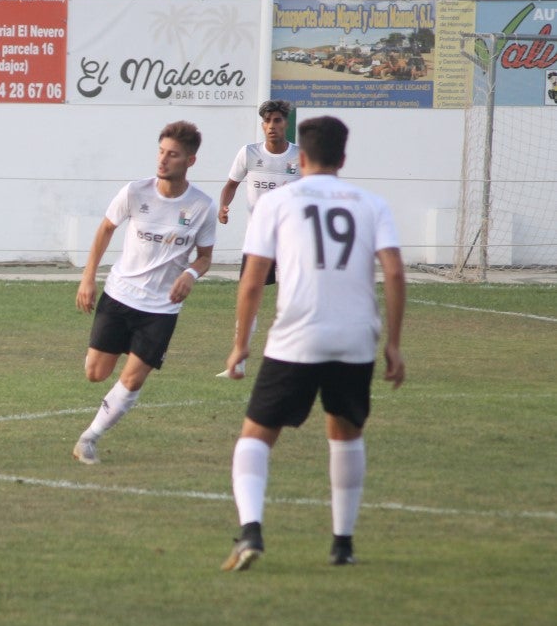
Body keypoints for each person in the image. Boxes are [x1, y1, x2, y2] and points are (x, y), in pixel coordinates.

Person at [220, 115, 405, 571]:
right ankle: (342, 544)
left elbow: (252, 279)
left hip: (295, 338)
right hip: (355, 338)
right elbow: (396, 273)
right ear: (343, 157)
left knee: (255, 436)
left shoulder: (277, 202)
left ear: (300, 157)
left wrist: (241, 343)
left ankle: (251, 532)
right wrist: (394, 344)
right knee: (345, 436)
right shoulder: (371, 203)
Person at [72, 121, 217, 464]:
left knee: (133, 378)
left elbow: (206, 257)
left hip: (161, 309)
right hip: (120, 295)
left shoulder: (202, 207)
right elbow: (106, 229)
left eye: (173, 155)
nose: (163, 160)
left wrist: (191, 274)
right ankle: (122, 349)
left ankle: (89, 438)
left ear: (190, 161)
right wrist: (88, 277)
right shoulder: (135, 192)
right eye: (161, 152)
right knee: (95, 373)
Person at [216, 99, 300, 378]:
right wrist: (223, 206)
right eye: (267, 121)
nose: (272, 126)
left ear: (285, 124)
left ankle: (296, 362)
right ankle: (238, 362)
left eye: (277, 120)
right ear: (262, 125)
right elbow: (230, 185)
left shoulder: (300, 157)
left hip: (290, 242)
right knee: (248, 299)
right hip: (258, 242)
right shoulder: (249, 153)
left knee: (292, 302)